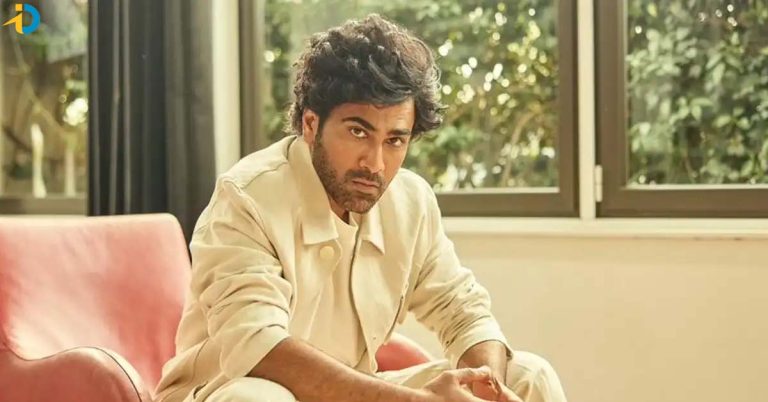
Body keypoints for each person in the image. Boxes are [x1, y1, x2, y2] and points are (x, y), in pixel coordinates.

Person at [154, 14, 567, 402]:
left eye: (395, 140)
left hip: (351, 393)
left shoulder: (411, 202)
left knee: (529, 374)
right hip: (225, 391)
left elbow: (464, 312)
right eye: (357, 132)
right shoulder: (246, 197)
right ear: (310, 124)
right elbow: (259, 348)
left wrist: (485, 386)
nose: (375, 163)